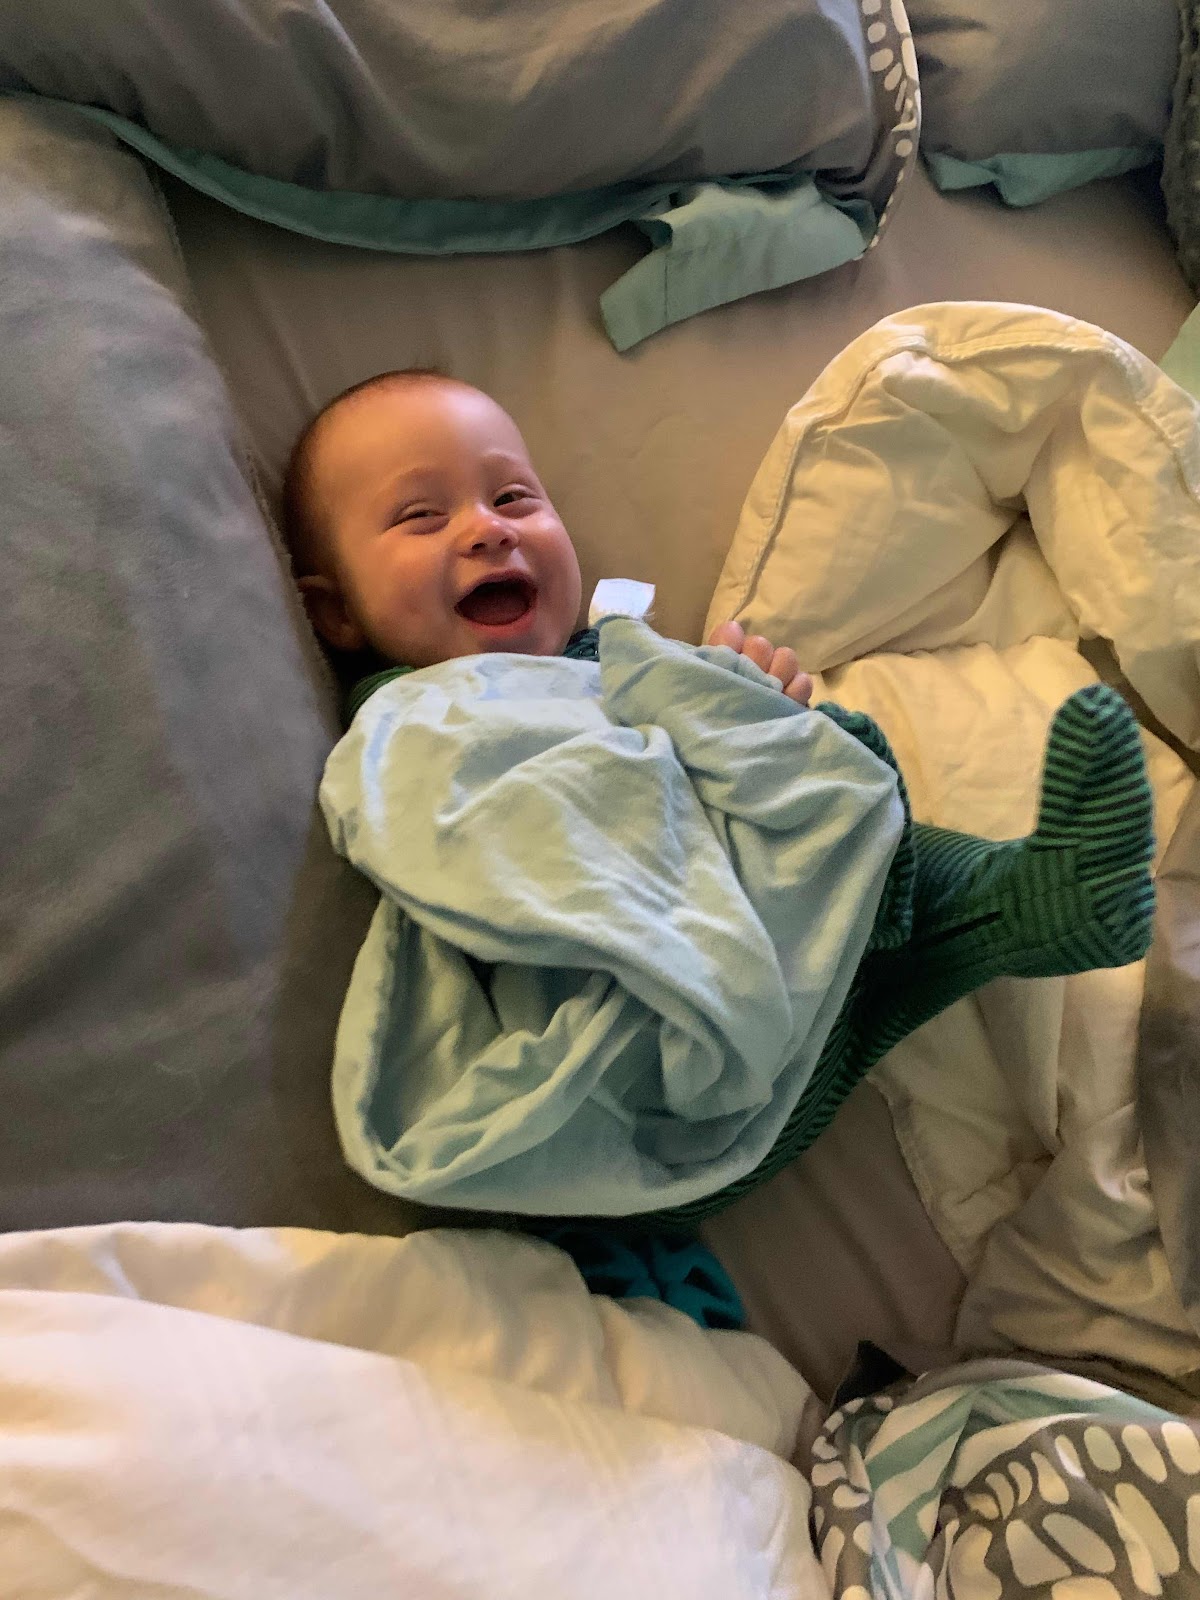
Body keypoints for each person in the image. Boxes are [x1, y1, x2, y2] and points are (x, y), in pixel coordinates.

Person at [281, 367, 1156, 1225]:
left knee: (883, 855)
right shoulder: (408, 718)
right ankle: (979, 919)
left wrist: (754, 715)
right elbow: (483, 832)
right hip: (640, 1065)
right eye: (421, 516)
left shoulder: (616, 659)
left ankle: (1046, 897)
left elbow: (749, 782)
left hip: (788, 978)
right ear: (337, 616)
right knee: (849, 927)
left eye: (514, 498)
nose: (488, 530)